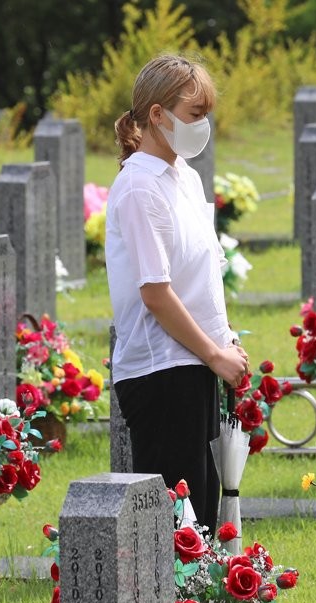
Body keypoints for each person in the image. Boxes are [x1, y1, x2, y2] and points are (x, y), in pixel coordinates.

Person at [105, 54, 248, 532]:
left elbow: (200, 274)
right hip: (162, 371)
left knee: (201, 517)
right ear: (157, 115)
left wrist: (224, 341)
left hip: (195, 363)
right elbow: (156, 293)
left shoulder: (184, 177)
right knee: (180, 529)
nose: (201, 125)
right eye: (194, 114)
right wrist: (214, 354)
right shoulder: (139, 188)